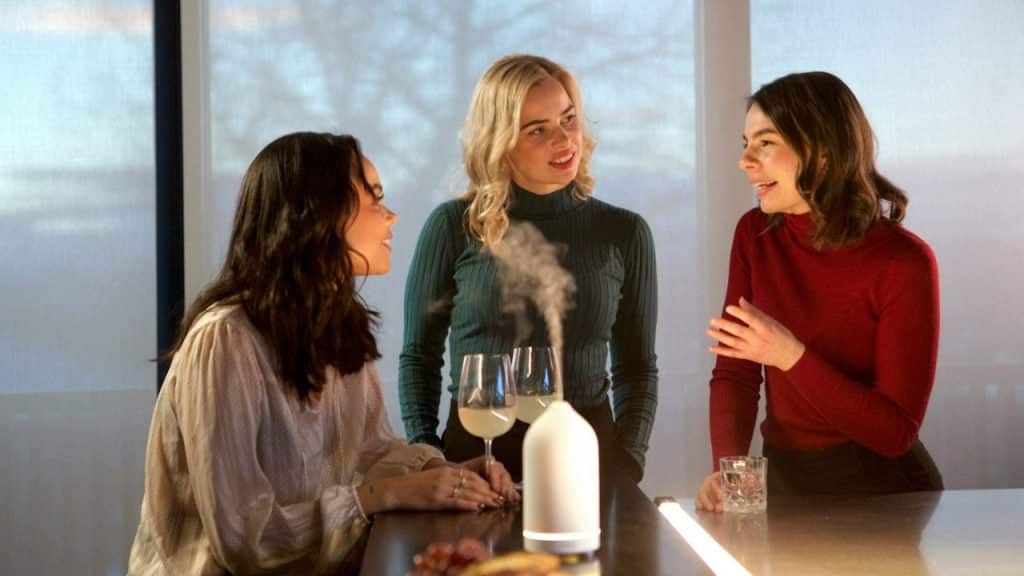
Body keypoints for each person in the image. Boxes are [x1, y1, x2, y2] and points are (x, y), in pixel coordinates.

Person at [128, 132, 517, 575]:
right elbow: (242, 535)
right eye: (373, 199)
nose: (390, 216)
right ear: (316, 215)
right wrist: (384, 495)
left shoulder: (336, 324)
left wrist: (448, 474)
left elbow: (371, 449)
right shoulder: (226, 340)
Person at [399, 54, 658, 483]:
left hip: (587, 466)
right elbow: (418, 359)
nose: (565, 139)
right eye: (538, 130)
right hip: (474, 464)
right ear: (499, 141)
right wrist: (431, 461)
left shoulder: (624, 231)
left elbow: (637, 367)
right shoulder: (452, 227)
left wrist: (627, 461)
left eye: (569, 119)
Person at [697, 72, 943, 511]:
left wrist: (790, 355)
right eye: (745, 143)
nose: (745, 161)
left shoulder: (904, 262)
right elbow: (736, 373)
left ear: (822, 152)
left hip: (885, 493)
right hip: (787, 481)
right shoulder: (755, 234)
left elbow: (895, 433)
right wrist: (728, 469)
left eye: (766, 143)